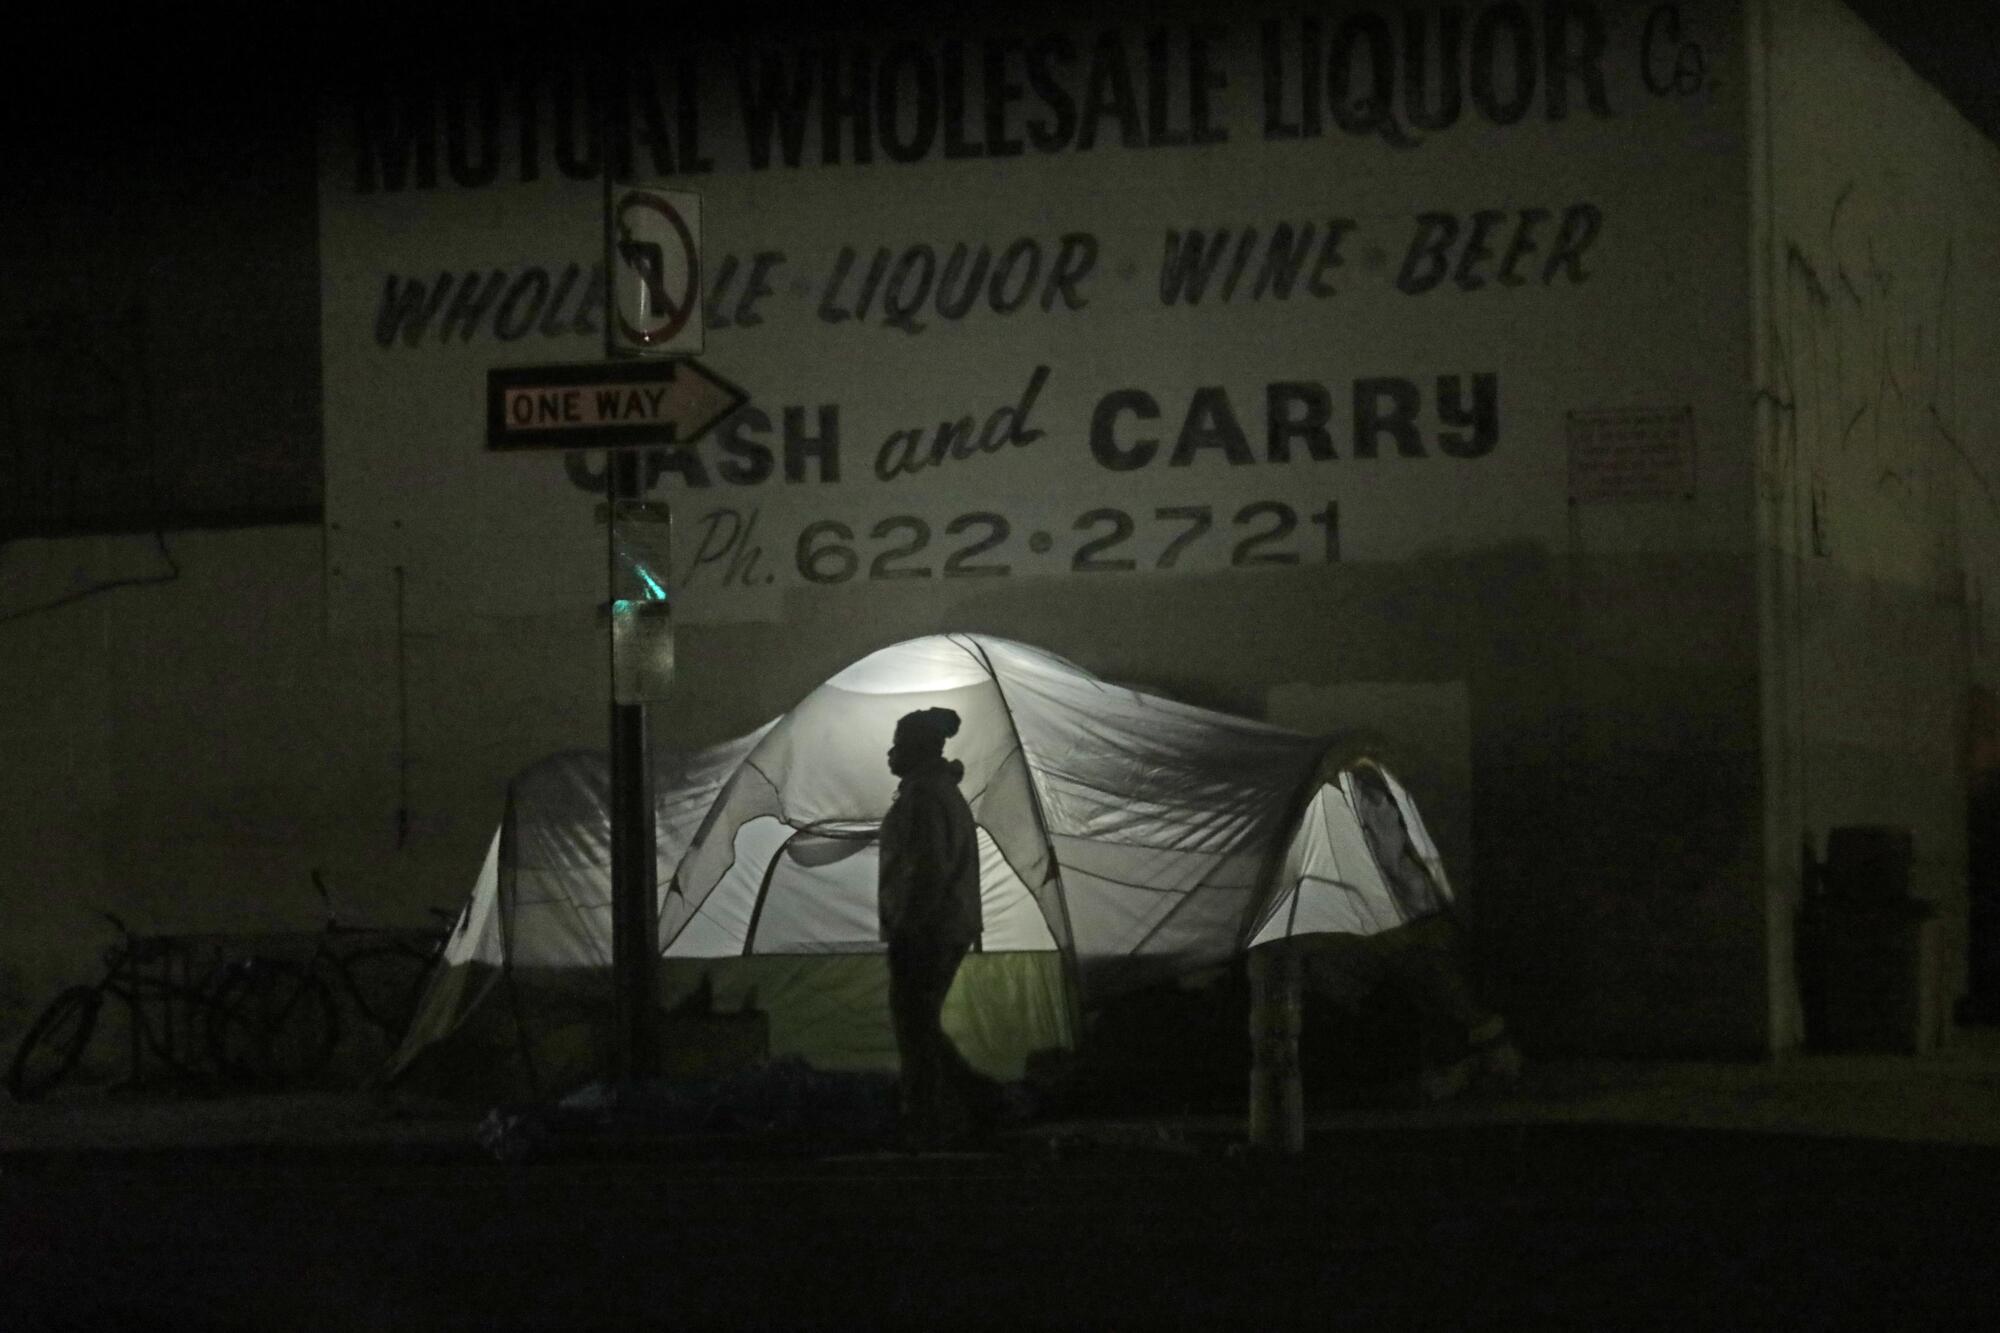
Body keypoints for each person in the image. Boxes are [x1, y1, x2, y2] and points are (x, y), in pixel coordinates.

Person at [1318, 762, 1521, 1099]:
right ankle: (1476, 1050)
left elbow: (1401, 875)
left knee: (1426, 953)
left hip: (1401, 925)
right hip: (1365, 942)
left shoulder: (1376, 810)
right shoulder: (1336, 819)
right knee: (1418, 954)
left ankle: (1476, 1050)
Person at [878, 706, 992, 1146]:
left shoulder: (925, 798)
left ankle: (936, 1115)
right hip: (943, 926)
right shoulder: (936, 792)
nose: (890, 752)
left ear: (918, 748)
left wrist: (909, 928)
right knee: (920, 1023)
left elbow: (927, 870)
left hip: (928, 929)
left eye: (898, 743)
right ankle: (970, 1104)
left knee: (915, 1026)